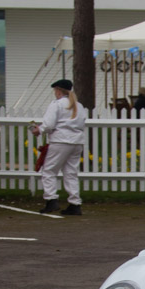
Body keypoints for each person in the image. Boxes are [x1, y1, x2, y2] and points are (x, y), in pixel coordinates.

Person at [30, 79, 87, 215]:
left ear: (59, 91)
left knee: (49, 171)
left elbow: (49, 124)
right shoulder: (79, 105)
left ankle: (51, 200)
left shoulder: (56, 104)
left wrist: (39, 130)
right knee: (71, 173)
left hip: (60, 141)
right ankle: (75, 203)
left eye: (55, 90)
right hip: (77, 142)